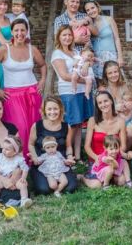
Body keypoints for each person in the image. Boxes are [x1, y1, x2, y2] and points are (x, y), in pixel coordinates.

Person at [0, 18, 46, 161]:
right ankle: (19, 161)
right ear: (12, 32)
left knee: (34, 128)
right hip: (12, 95)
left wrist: (43, 80)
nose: (20, 33)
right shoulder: (4, 49)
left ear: (27, 32)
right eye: (16, 30)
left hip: (32, 93)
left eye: (22, 30)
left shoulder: (32, 49)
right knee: (20, 128)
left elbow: (43, 65)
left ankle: (35, 160)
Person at [50, 25, 94, 161]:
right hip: (69, 92)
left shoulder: (75, 51)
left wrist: (87, 65)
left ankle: (78, 156)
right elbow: (64, 75)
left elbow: (87, 63)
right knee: (72, 124)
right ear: (58, 37)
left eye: (69, 35)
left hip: (82, 91)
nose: (67, 37)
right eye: (64, 35)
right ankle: (68, 154)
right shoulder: (57, 53)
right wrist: (86, 81)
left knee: (79, 123)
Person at [27, 96, 78, 195]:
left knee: (71, 187)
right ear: (44, 110)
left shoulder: (66, 126)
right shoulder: (37, 126)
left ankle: (67, 180)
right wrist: (35, 157)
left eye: (55, 109)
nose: (52, 112)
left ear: (60, 109)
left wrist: (69, 157)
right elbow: (31, 144)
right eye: (49, 109)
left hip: (60, 164)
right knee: (44, 189)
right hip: (42, 164)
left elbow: (68, 146)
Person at [82, 91, 132, 182]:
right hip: (97, 159)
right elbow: (87, 146)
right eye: (100, 103)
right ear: (97, 105)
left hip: (114, 159)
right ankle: (82, 178)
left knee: (121, 181)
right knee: (96, 184)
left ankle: (111, 176)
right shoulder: (92, 120)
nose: (103, 105)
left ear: (111, 101)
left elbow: (123, 146)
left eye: (105, 101)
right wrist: (97, 158)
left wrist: (116, 155)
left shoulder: (120, 121)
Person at [0, 136, 33, 209]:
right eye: (3, 148)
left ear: (15, 152)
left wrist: (23, 178)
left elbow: (25, 168)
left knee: (22, 185)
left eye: (7, 149)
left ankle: (24, 200)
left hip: (16, 180)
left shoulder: (19, 159)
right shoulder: (0, 157)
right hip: (4, 179)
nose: (4, 150)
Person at [84, 0, 123, 77]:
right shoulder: (88, 24)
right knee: (99, 81)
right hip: (95, 57)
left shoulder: (109, 19)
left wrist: (120, 57)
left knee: (115, 78)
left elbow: (117, 38)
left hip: (110, 55)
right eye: (88, 10)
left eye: (92, 8)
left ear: (97, 7)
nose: (91, 11)